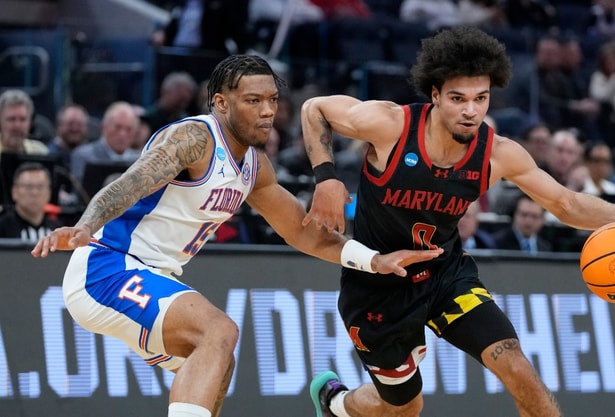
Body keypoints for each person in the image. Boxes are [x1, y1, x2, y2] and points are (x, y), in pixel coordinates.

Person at [30, 55, 441, 417]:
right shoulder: (195, 138)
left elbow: (303, 233)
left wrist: (372, 260)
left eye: (272, 100)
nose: (268, 111)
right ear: (221, 103)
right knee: (219, 331)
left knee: (218, 362)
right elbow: (129, 183)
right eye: (253, 101)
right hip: (107, 267)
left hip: (153, 275)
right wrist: (85, 225)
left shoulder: (254, 167)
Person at [299, 26, 615, 417]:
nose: (471, 111)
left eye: (481, 98)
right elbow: (314, 109)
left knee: (517, 367)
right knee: (403, 407)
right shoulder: (391, 125)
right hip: (377, 285)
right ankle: (335, 404)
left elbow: (564, 201)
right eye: (458, 98)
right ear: (435, 95)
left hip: (444, 275)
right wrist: (327, 178)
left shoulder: (497, 154)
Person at [69, 101, 142, 183]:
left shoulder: (140, 161)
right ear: (104, 126)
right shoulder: (83, 156)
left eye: (129, 129)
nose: (122, 134)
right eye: (117, 127)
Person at [0, 162, 62, 243]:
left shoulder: (58, 230)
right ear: (14, 192)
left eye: (40, 187)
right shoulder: (2, 227)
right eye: (28, 186)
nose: (34, 193)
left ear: (49, 193)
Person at [0, 89, 49, 155]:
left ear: (30, 122)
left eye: (22, 119)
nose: (17, 126)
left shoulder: (40, 151)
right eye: (11, 119)